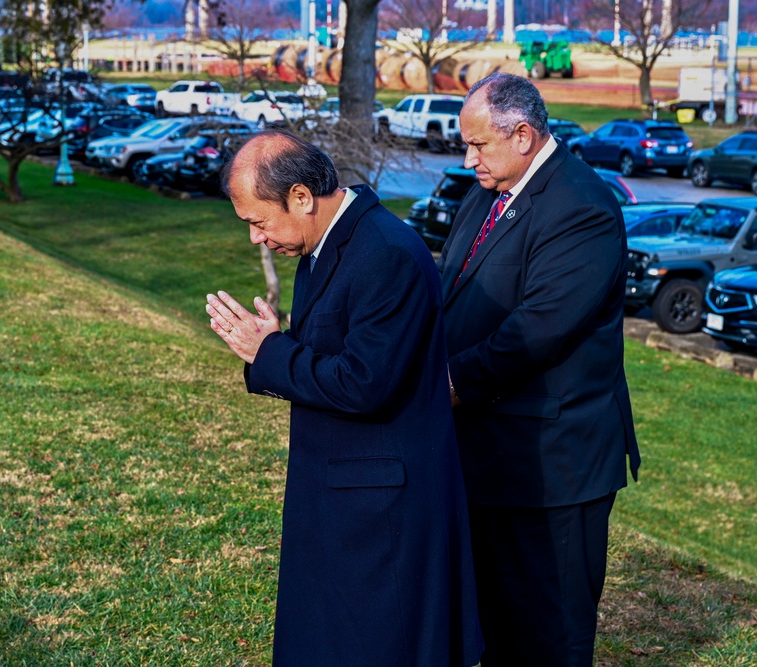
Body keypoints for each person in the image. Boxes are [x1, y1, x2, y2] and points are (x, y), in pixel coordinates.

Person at [205, 130, 482, 667]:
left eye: (259, 223)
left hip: (382, 515)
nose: (256, 239)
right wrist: (273, 347)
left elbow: (365, 383)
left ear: (302, 197)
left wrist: (271, 353)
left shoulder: (385, 253)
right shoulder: (321, 244)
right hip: (341, 497)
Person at [437, 72, 641, 667]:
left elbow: (536, 331)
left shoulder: (583, 208)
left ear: (522, 135)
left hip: (555, 465)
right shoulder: (486, 191)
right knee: (496, 626)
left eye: (478, 144)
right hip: (488, 456)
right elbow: (453, 291)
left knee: (550, 636)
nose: (467, 156)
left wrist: (446, 385)